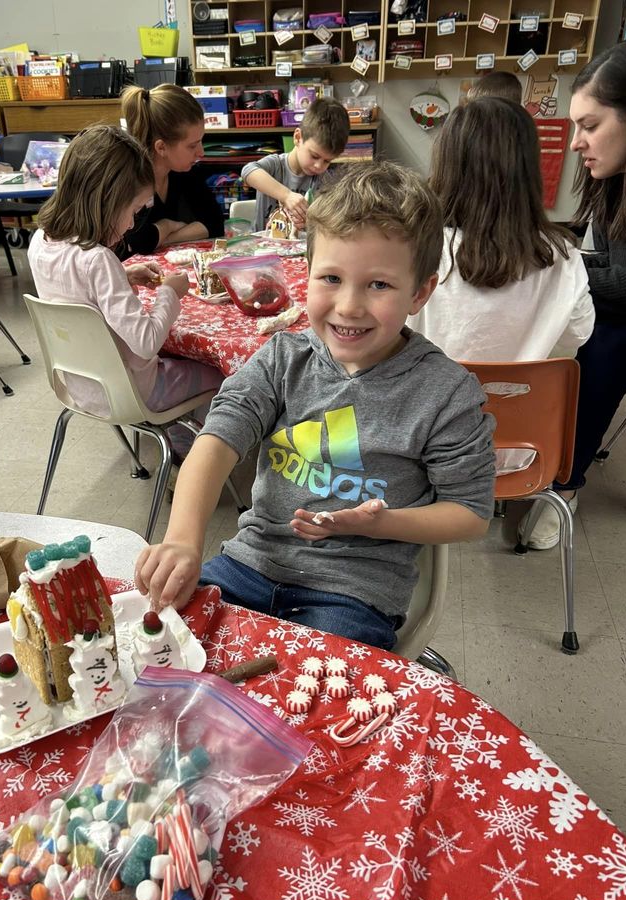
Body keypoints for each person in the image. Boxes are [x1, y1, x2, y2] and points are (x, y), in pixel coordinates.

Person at [134, 162, 496, 649]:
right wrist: (182, 540)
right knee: (163, 657)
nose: (348, 305)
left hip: (352, 592)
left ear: (420, 292)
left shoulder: (445, 392)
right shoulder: (284, 357)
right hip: (249, 564)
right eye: (331, 278)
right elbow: (217, 441)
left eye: (379, 285)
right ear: (305, 273)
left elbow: (470, 514)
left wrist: (380, 522)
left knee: (312, 706)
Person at [28, 124, 223, 422]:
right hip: (132, 392)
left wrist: (124, 274)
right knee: (221, 373)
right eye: (133, 211)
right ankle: (187, 447)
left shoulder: (40, 241)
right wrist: (170, 293)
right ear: (106, 201)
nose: (133, 224)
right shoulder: (98, 260)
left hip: (81, 387)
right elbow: (147, 342)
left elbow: (74, 291)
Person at [522, 41, 626, 549]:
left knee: (604, 342)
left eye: (590, 126)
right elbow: (609, 266)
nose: (574, 144)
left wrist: (559, 271)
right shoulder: (612, 184)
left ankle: (566, 482)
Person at [408, 97, 594, 365]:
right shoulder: (562, 256)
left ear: (446, 166)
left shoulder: (417, 247)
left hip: (430, 403)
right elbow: (577, 335)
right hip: (524, 404)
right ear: (528, 170)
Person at [117, 84, 224, 257]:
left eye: (201, 141)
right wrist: (168, 225)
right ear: (161, 147)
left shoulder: (185, 172)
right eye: (192, 145)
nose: (201, 152)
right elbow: (137, 241)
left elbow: (214, 224)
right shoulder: (131, 182)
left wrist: (162, 237)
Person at [241, 97, 351, 233]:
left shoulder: (325, 179)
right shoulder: (276, 165)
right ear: (298, 138)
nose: (319, 166)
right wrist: (286, 195)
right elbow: (248, 171)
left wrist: (309, 222)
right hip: (263, 249)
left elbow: (327, 223)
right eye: (314, 156)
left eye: (327, 161)